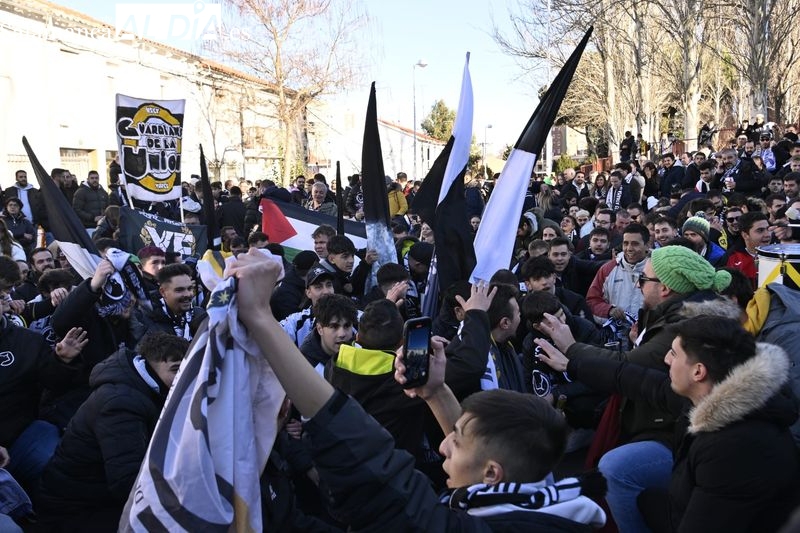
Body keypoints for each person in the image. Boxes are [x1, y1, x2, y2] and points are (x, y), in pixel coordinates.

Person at [223, 250, 608, 531]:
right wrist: (436, 392)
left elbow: (357, 443)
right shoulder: (540, 501)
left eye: (456, 441)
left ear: (492, 473)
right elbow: (482, 443)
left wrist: (258, 316)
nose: (442, 444)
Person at [535, 245, 736, 532]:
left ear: (664, 288)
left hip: (678, 437)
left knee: (617, 468)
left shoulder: (685, 326)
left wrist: (571, 351)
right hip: (673, 426)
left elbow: (627, 369)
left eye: (643, 279)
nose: (638, 284)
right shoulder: (675, 316)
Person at [535, 317, 799, 533]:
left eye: (674, 354)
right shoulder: (713, 393)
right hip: (692, 497)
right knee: (640, 495)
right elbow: (636, 380)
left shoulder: (733, 448)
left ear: (698, 372)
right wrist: (573, 364)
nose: (666, 360)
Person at [37, 333, 189, 529]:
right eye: (176, 369)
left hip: (96, 497)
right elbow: (127, 481)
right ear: (151, 365)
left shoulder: (148, 390)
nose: (182, 377)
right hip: (74, 509)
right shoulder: (120, 403)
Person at [444, 283, 527, 401]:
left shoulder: (506, 347)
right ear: (505, 323)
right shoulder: (465, 354)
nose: (520, 316)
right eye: (518, 312)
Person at [131, 263, 207, 341]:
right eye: (179, 290)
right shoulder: (144, 320)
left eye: (190, 288)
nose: (187, 294)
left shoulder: (200, 315)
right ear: (163, 292)